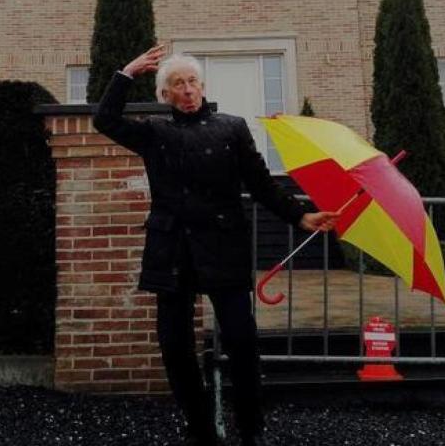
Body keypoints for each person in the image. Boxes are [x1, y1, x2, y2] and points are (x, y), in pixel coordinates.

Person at [93, 45, 338, 446]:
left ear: (202, 87)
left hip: (224, 246)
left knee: (243, 342)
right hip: (172, 251)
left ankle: (251, 429)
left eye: (192, 82)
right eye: (177, 84)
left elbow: (260, 183)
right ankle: (201, 429)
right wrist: (127, 71)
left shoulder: (232, 128)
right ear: (165, 95)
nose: (187, 90)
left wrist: (300, 215)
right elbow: (105, 119)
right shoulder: (154, 134)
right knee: (175, 347)